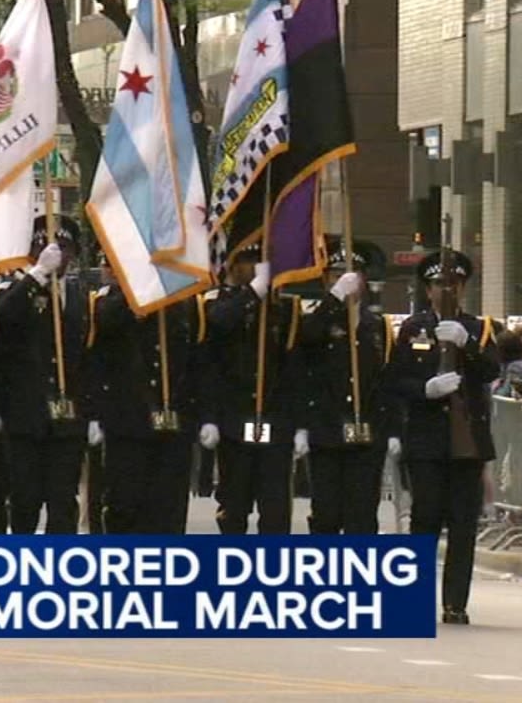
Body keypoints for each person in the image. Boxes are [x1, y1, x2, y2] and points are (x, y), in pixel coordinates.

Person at [381, 250, 499, 625]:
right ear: (427, 289)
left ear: (463, 287)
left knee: (463, 525)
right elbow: (395, 381)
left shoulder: (480, 329)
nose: (445, 290)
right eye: (437, 285)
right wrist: (426, 389)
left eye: (452, 284)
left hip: (466, 443)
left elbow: (490, 371)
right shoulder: (412, 329)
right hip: (426, 439)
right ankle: (415, 599)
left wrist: (467, 344)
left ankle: (455, 603)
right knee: (425, 520)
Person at [83, 246, 205, 534]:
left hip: (174, 423)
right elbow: (103, 334)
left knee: (168, 509)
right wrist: (139, 287)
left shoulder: (185, 303)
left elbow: (197, 362)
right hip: (127, 422)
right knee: (125, 505)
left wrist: (200, 414)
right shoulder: (107, 301)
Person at [0, 217, 94, 534]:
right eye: (44, 248)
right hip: (25, 418)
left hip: (68, 422)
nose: (55, 255)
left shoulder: (81, 295)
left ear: (73, 253)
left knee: (63, 503)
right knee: (24, 503)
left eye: (63, 248)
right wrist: (36, 275)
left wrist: (93, 413)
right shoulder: (12, 291)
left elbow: (88, 357)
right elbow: (5, 315)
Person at [292, 241, 394, 535]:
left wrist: (393, 431)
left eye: (350, 274)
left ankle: (356, 578)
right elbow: (306, 346)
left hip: (366, 436)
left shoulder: (377, 326)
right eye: (335, 274)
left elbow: (387, 381)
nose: (343, 280)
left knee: (362, 517)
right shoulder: (318, 319)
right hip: (327, 431)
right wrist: (334, 299)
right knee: (326, 515)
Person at [202, 244, 300, 535]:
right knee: (234, 507)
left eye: (260, 261)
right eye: (246, 261)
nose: (255, 267)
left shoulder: (283, 306)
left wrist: (300, 424)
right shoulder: (216, 300)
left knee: (275, 512)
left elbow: (294, 366)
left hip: (275, 419)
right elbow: (219, 325)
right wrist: (253, 293)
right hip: (233, 418)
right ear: (232, 265)